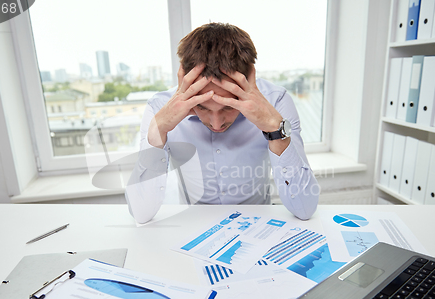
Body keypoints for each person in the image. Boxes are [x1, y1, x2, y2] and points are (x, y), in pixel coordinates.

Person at [125, 22, 319, 224]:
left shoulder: (276, 102)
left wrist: (275, 131)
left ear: (248, 78)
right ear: (185, 79)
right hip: (193, 227)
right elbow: (141, 213)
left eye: (228, 106)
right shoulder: (159, 108)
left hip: (258, 224)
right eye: (202, 107)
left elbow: (305, 208)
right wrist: (159, 131)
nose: (216, 124)